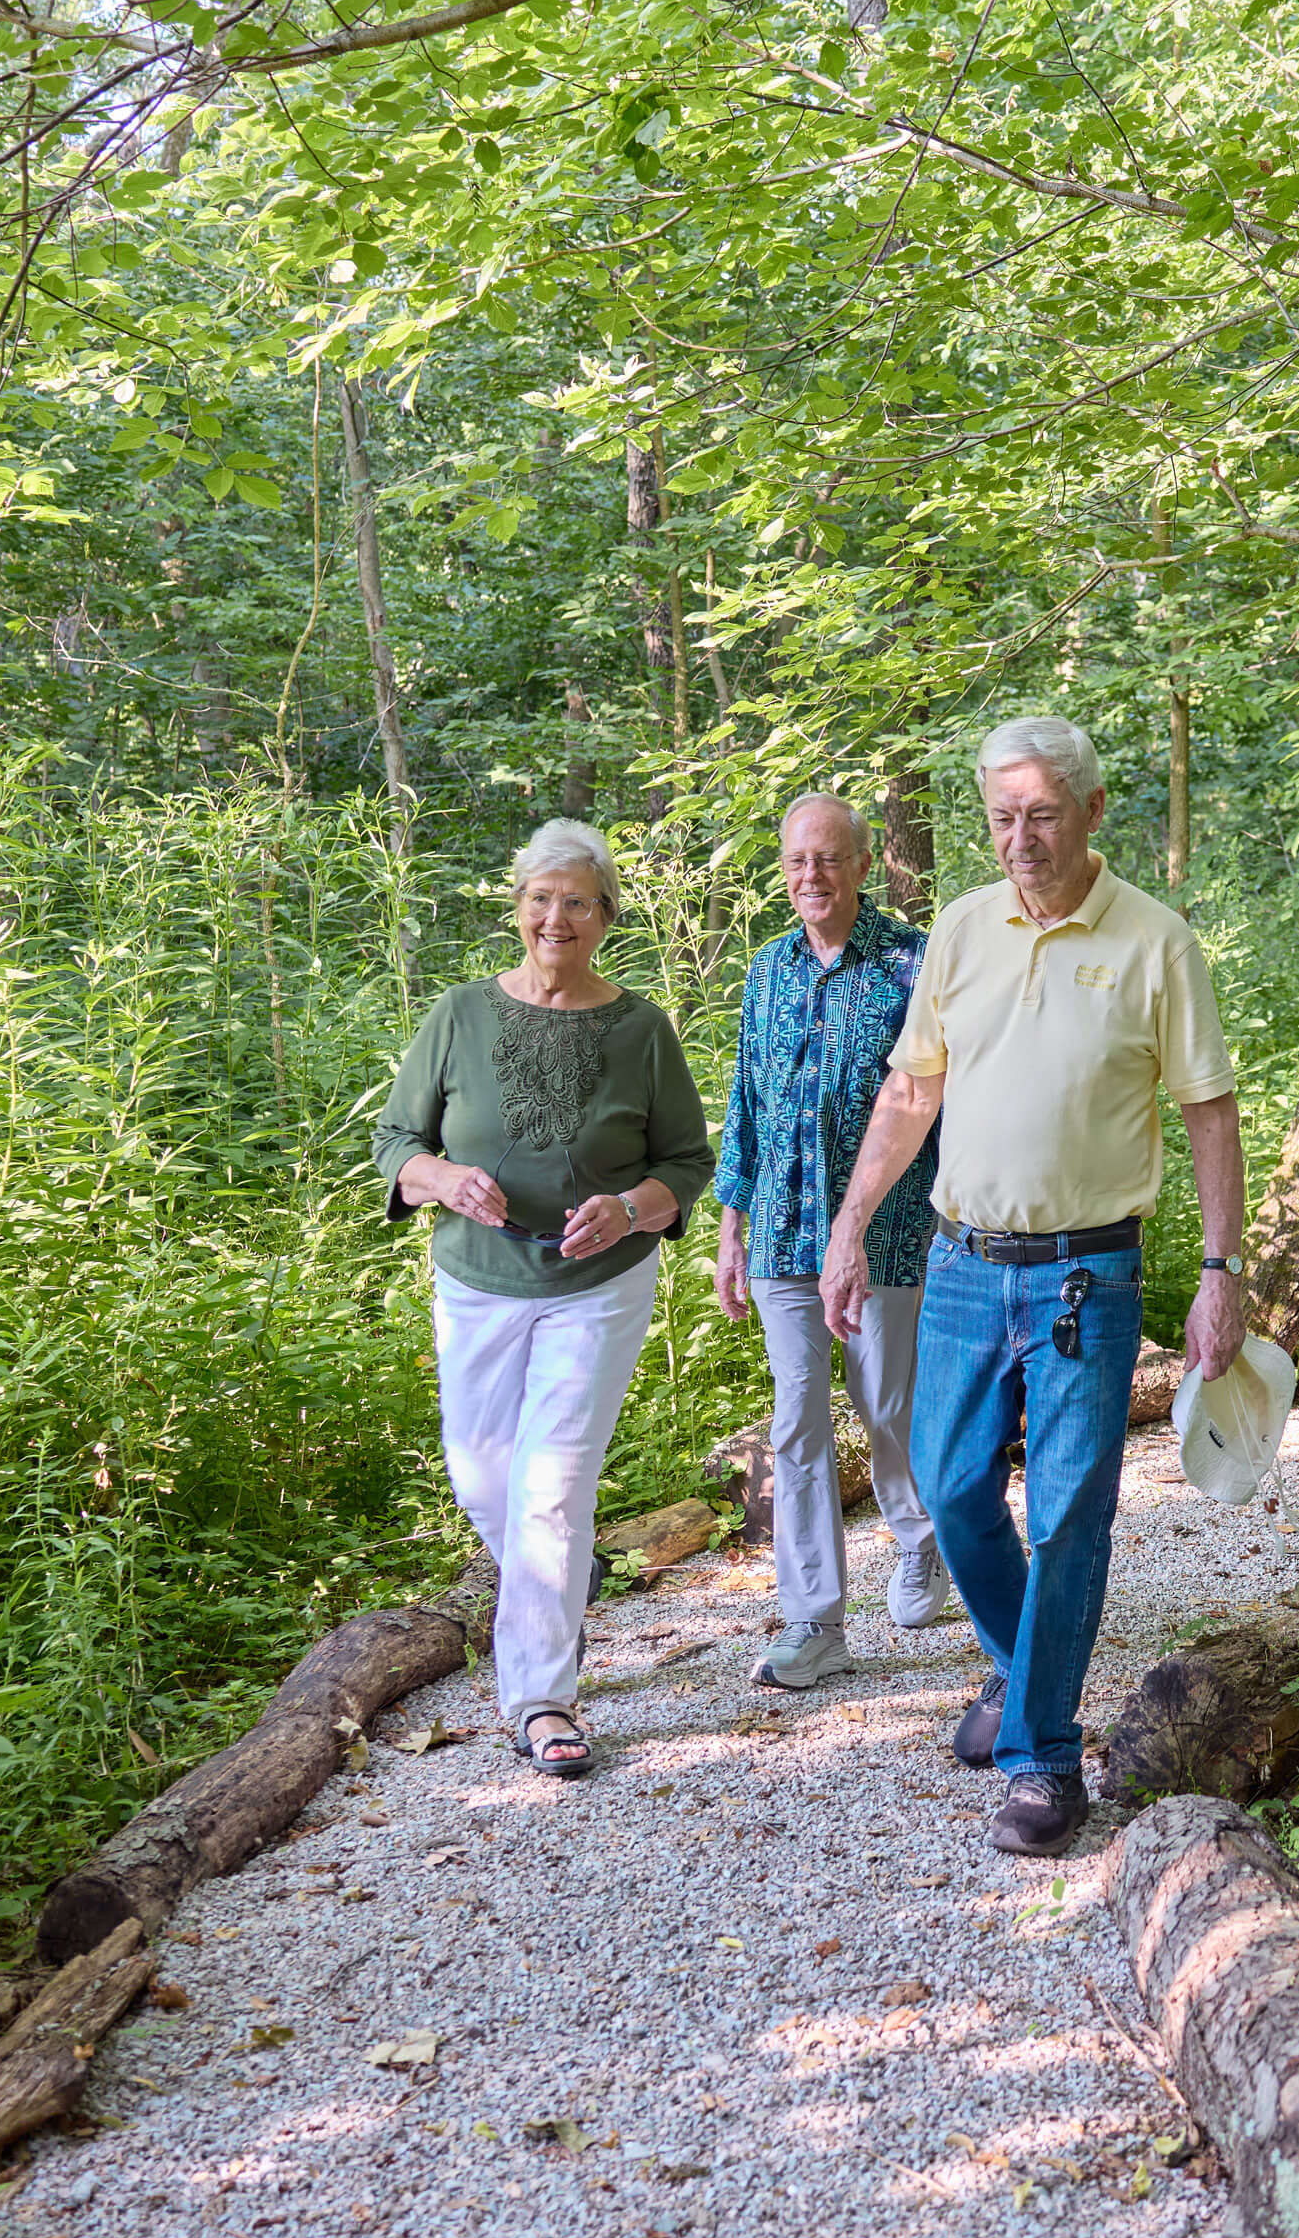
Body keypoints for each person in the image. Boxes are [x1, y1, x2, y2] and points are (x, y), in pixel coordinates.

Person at [823, 717, 1245, 1856]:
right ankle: (1025, 1680)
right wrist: (851, 1223)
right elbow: (913, 1094)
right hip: (962, 1263)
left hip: (1086, 1275)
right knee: (953, 1491)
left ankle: (1042, 1756)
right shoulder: (960, 929)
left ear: (1093, 810)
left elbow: (1207, 1108)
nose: (1020, 837)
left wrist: (1219, 1268)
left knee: (1066, 1519)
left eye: (1041, 813)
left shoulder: (1157, 941)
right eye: (1002, 816)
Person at [374, 820, 714, 1780]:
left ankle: (542, 1701)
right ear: (517, 909)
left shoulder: (641, 1029)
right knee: (485, 1480)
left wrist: (627, 1208)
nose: (554, 916)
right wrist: (442, 1179)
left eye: (576, 900)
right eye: (539, 898)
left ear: (605, 916)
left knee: (553, 1486)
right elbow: (396, 1142)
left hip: (595, 1285)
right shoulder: (457, 1016)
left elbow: (687, 1162)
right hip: (475, 1281)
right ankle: (567, 1576)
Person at [711, 792, 950, 1692]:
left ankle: (922, 1541)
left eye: (828, 859)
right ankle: (816, 1620)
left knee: (889, 1407)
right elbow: (745, 1107)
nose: (810, 877)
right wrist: (731, 1229)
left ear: (862, 862)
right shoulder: (767, 970)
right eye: (796, 862)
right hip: (779, 1232)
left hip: (888, 1236)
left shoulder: (912, 964)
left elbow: (935, 1104)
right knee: (797, 1422)